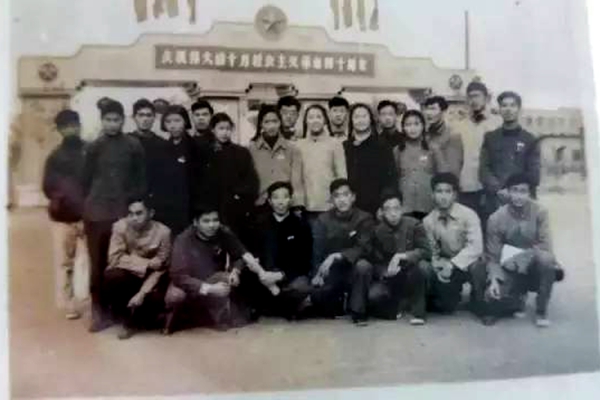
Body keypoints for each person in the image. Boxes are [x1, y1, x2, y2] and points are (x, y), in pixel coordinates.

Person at [164, 205, 281, 333]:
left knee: (226, 280)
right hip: (189, 283)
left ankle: (216, 318)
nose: (212, 225)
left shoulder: (223, 232)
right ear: (195, 222)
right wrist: (210, 289)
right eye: (206, 221)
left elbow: (240, 254)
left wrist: (235, 271)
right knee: (175, 297)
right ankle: (179, 320)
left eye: (215, 220)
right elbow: (178, 276)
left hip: (214, 278)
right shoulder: (183, 240)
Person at [82, 99, 146, 332]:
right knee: (98, 264)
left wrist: (131, 204)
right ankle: (98, 312)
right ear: (102, 121)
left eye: (116, 120)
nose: (112, 124)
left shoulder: (133, 145)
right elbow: (85, 180)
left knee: (122, 262)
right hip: (97, 214)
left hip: (123, 214)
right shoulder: (94, 146)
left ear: (123, 120)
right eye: (108, 120)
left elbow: (140, 179)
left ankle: (119, 310)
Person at [483, 174, 562, 328]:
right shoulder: (496, 218)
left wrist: (524, 257)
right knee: (492, 297)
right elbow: (493, 256)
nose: (519, 196)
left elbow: (546, 247)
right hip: (509, 265)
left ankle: (541, 309)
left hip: (534, 261)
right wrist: (494, 280)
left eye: (523, 191)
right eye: (514, 190)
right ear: (507, 192)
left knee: (547, 261)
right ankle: (517, 297)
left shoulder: (540, 212)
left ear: (529, 193)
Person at [352, 190, 429, 326]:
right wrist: (384, 273)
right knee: (374, 295)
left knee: (423, 267)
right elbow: (374, 259)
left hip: (411, 273)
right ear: (382, 212)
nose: (393, 214)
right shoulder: (377, 230)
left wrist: (404, 256)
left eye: (396, 208)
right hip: (389, 277)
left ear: (402, 209)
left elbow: (426, 251)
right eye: (388, 209)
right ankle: (361, 313)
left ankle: (418, 312)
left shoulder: (414, 225)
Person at [103, 197, 171, 339]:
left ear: (151, 213)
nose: (134, 218)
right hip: (128, 274)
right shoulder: (120, 227)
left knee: (156, 299)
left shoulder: (164, 232)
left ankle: (144, 316)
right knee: (112, 276)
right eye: (130, 213)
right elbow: (114, 258)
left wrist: (142, 293)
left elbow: (161, 268)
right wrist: (146, 263)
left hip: (152, 278)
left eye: (139, 213)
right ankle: (126, 320)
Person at [246, 181, 313, 319]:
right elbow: (253, 252)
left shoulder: (300, 225)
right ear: (269, 201)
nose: (280, 202)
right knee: (245, 278)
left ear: (291, 199)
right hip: (264, 275)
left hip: (288, 276)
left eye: (285, 197)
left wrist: (281, 275)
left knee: (301, 287)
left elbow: (304, 260)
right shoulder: (260, 224)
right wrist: (263, 273)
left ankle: (278, 303)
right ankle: (279, 304)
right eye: (276, 198)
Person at [42, 109, 86, 320]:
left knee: (86, 262)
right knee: (64, 262)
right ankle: (69, 303)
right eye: (66, 126)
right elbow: (48, 187)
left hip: (87, 216)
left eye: (74, 125)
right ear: (59, 130)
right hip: (62, 217)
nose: (71, 130)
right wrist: (63, 199)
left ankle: (84, 301)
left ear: (80, 126)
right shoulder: (55, 157)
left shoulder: (89, 151)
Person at [422, 173, 486, 317]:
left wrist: (453, 264)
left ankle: (479, 300)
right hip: (447, 265)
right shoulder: (428, 221)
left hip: (468, 262)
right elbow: (433, 251)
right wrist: (438, 267)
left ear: (455, 195)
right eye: (439, 191)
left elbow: (475, 247)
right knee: (445, 306)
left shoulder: (469, 214)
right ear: (432, 195)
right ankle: (448, 295)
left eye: (448, 191)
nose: (443, 196)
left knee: (478, 266)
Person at [310, 179, 374, 319]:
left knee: (363, 266)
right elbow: (317, 252)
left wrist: (337, 255)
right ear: (331, 199)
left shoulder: (365, 218)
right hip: (332, 271)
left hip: (354, 270)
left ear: (353, 197)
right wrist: (317, 274)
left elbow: (364, 248)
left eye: (346, 195)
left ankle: (358, 311)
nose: (342, 200)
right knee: (317, 298)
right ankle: (339, 300)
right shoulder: (322, 220)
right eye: (337, 196)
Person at [199, 112, 259, 242]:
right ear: (213, 130)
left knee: (235, 240)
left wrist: (238, 196)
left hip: (235, 208)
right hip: (211, 208)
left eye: (228, 128)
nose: (225, 132)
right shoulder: (205, 152)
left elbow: (251, 181)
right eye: (221, 128)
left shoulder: (241, 152)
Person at [479, 91, 540, 216]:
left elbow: (534, 174)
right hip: (495, 201)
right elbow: (484, 170)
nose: (508, 109)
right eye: (504, 105)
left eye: (512, 105)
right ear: (499, 110)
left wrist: (514, 192)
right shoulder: (490, 138)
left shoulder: (530, 139)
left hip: (522, 201)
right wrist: (499, 190)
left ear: (519, 110)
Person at [457, 81, 501, 219]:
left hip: (489, 187)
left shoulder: (497, 124)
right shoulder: (460, 125)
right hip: (466, 185)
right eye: (470, 97)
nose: (473, 100)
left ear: (486, 98)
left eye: (477, 96)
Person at [344, 103, 397, 215]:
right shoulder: (346, 146)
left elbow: (390, 179)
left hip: (376, 206)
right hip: (350, 206)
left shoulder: (382, 146)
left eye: (364, 116)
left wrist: (383, 206)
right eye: (356, 117)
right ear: (351, 121)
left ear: (370, 119)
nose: (360, 120)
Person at [248, 105, 305, 210]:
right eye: (267, 122)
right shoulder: (251, 149)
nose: (271, 126)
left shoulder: (292, 149)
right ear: (261, 124)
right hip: (259, 205)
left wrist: (297, 205)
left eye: (275, 121)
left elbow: (296, 181)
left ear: (280, 123)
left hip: (285, 205)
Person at [295, 104, 347, 219]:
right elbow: (296, 178)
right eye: (311, 117)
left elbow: (341, 175)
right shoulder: (299, 145)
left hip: (330, 205)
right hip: (306, 206)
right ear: (306, 121)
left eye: (319, 117)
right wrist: (298, 204)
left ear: (325, 120)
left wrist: (340, 201)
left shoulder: (335, 144)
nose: (315, 120)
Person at [153, 105, 199, 236]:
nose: (173, 126)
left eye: (177, 120)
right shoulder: (161, 148)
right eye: (168, 121)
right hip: (167, 208)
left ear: (185, 121)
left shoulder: (195, 147)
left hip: (188, 208)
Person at [393, 109, 444, 219]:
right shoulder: (398, 151)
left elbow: (442, 177)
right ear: (403, 128)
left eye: (416, 124)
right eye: (408, 125)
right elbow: (394, 178)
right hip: (406, 206)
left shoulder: (433, 148)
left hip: (428, 206)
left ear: (423, 126)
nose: (413, 128)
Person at [423, 96, 464, 178]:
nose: (429, 113)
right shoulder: (425, 134)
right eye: (427, 109)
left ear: (443, 112)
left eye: (433, 109)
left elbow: (454, 170)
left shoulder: (452, 136)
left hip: (442, 182)